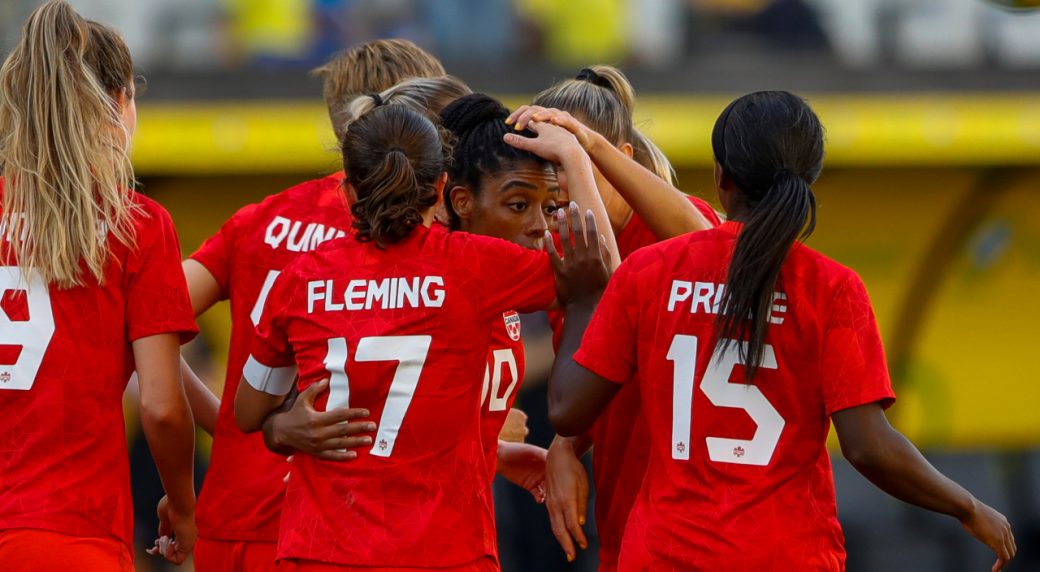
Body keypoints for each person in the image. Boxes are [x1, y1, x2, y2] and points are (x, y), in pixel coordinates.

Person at [545, 90, 1017, 571]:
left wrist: (583, 300)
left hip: (666, 553)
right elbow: (868, 448)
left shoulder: (649, 271)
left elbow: (567, 410)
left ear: (720, 177)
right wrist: (968, 507)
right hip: (785, 553)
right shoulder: (832, 289)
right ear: (810, 179)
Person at [234, 104, 611, 571]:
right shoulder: (476, 265)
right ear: (440, 190)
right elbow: (598, 272)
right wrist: (575, 157)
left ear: (349, 191)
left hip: (323, 548)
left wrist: (277, 429)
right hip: (445, 549)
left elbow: (249, 412)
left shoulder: (300, 277)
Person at [183, 40, 456, 572]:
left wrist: (233, 428)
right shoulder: (413, 235)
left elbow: (143, 320)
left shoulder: (261, 219)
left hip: (229, 519)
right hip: (330, 533)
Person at [0, 2, 198, 570]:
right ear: (119, 102)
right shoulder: (136, 223)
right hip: (70, 531)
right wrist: (183, 506)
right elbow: (161, 407)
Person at [505, 64, 720, 567]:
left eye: (568, 163)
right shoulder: (559, 246)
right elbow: (600, 373)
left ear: (617, 157)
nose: (558, 184)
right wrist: (565, 444)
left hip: (701, 512)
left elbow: (709, 254)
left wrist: (586, 149)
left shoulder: (673, 225)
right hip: (628, 503)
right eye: (547, 165)